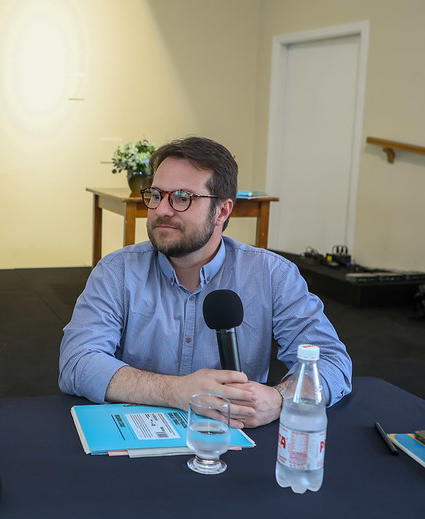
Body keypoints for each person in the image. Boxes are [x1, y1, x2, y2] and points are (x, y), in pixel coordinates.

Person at [58, 136, 351, 429]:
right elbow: (77, 362)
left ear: (222, 211)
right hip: (136, 436)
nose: (162, 210)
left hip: (233, 438)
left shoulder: (272, 275)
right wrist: (176, 391)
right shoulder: (117, 271)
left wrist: (280, 398)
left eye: (182, 197)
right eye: (156, 195)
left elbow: (331, 362)